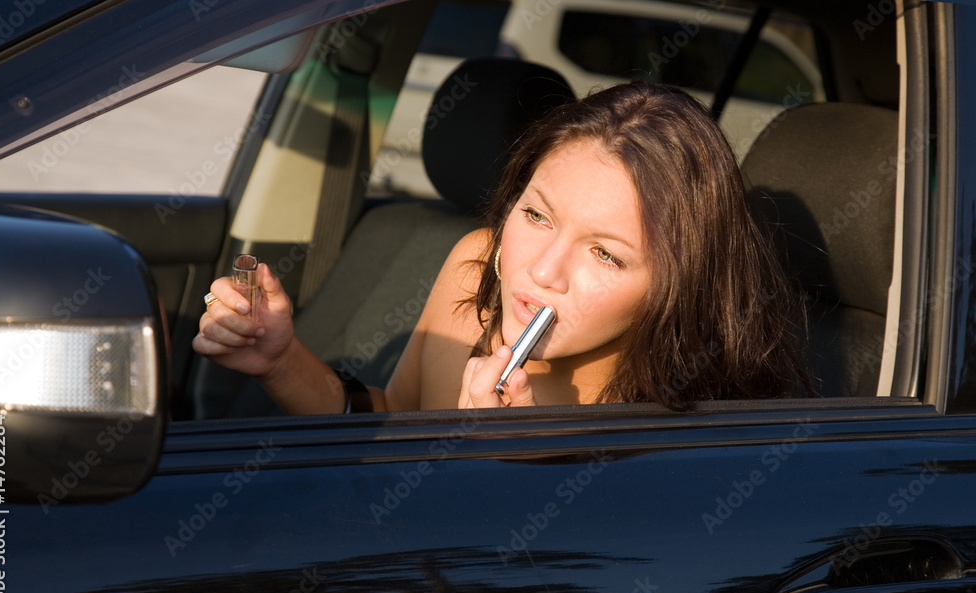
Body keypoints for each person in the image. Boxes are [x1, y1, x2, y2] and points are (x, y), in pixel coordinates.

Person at [193, 81, 810, 414]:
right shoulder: (474, 263)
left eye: (607, 255)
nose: (542, 271)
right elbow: (394, 418)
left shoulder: (678, 417)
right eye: (537, 215)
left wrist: (497, 469)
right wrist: (280, 361)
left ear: (679, 286)